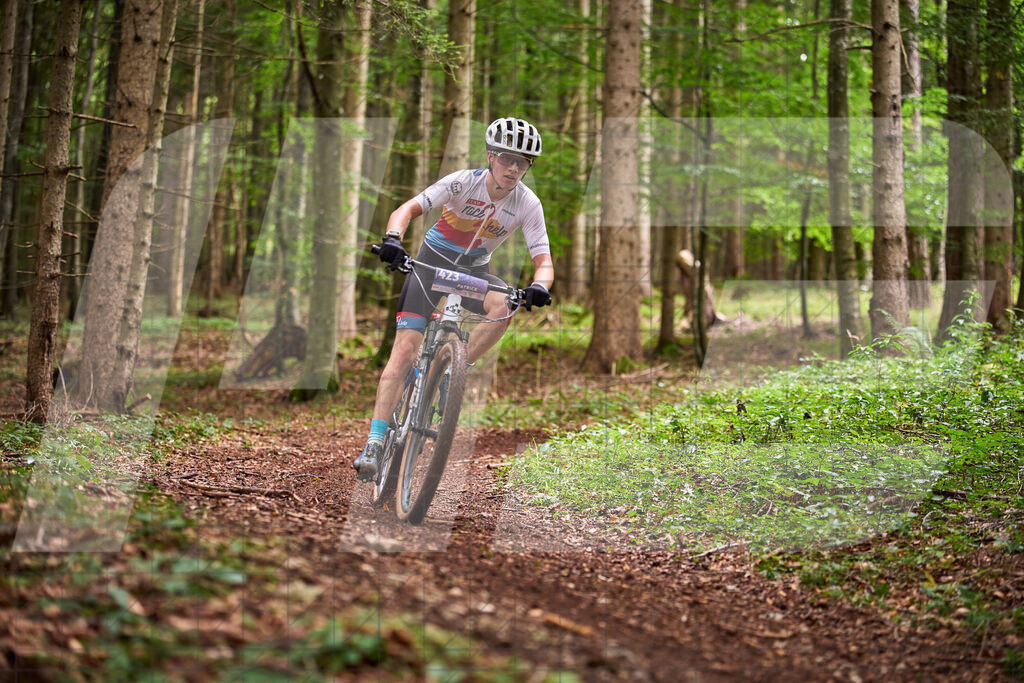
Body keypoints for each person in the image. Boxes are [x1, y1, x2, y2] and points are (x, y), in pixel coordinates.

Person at [354, 117, 554, 481]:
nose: (513, 168)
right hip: (430, 266)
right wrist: (394, 238)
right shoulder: (463, 182)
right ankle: (375, 441)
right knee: (403, 351)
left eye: (523, 162)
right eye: (508, 158)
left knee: (505, 304)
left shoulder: (528, 203)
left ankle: (453, 370)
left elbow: (544, 260)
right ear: (491, 156)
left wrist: (540, 285)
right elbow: (408, 209)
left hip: (475, 272)